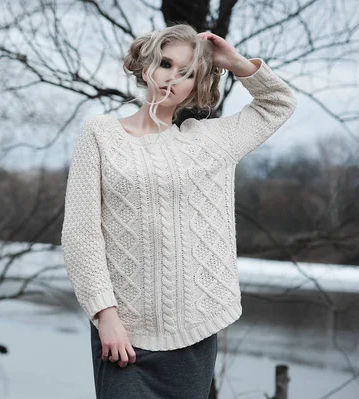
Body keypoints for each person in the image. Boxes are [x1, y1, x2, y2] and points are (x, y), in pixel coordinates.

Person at [60, 24, 296, 398]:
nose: (172, 77)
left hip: (194, 335)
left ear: (197, 85)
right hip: (123, 337)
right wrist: (105, 316)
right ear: (146, 67)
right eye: (165, 64)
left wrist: (233, 62)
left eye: (186, 72)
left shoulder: (211, 142)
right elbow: (80, 233)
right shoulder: (101, 134)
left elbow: (278, 103)